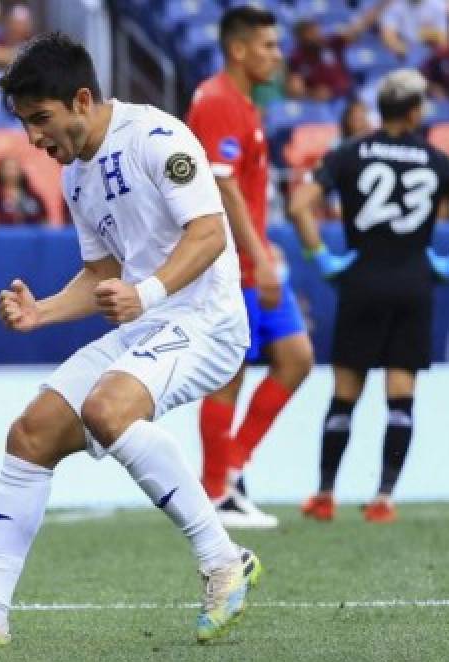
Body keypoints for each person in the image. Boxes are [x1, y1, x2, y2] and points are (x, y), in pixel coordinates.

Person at [0, 32, 262, 647]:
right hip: (152, 322)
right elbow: (100, 277)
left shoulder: (157, 138)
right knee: (31, 432)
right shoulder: (76, 177)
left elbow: (208, 234)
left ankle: (225, 562)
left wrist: (146, 294)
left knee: (107, 409)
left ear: (82, 99)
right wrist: (43, 312)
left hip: (206, 319)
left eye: (41, 120)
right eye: (26, 125)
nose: (35, 139)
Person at [288, 68, 449, 523]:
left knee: (345, 394)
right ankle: (383, 498)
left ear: (383, 108)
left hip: (363, 278)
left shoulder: (350, 153)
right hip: (414, 280)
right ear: (415, 111)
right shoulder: (436, 159)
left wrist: (321, 259)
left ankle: (323, 494)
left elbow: (299, 206)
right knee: (400, 395)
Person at [187, 6, 313, 530]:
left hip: (253, 257)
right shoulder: (216, 102)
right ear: (238, 49)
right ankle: (215, 493)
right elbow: (222, 186)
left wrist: (265, 248)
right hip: (228, 263)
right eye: (269, 46)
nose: (277, 56)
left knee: (296, 357)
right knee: (228, 375)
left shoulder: (242, 103)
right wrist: (258, 256)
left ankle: (230, 470)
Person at [0, 155, 48, 227]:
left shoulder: (32, 195)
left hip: (30, 239)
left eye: (15, 168)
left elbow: (44, 222)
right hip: (2, 238)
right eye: (8, 168)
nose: (11, 172)